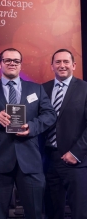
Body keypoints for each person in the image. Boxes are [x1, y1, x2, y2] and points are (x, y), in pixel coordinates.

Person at [0, 48, 56, 219]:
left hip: (30, 161)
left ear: (21, 65)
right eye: (7, 60)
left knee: (34, 212)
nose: (12, 63)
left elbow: (49, 115)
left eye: (16, 61)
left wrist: (32, 127)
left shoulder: (36, 89)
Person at [42, 49, 87, 219]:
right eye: (58, 62)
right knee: (52, 211)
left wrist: (76, 152)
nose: (62, 65)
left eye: (66, 62)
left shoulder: (85, 89)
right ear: (52, 66)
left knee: (79, 212)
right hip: (48, 159)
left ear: (74, 65)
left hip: (76, 160)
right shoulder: (42, 89)